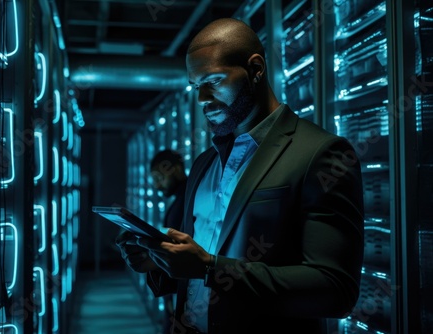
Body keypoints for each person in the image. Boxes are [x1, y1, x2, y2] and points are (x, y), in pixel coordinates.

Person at [116, 17, 364, 334]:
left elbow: (334, 290)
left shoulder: (321, 153)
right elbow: (192, 268)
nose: (202, 98)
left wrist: (210, 268)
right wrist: (158, 261)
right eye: (195, 86)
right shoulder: (205, 163)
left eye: (214, 81)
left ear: (256, 69)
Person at [150, 149, 188, 333]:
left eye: (159, 178)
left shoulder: (185, 200)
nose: (157, 186)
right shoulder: (184, 198)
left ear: (175, 169)